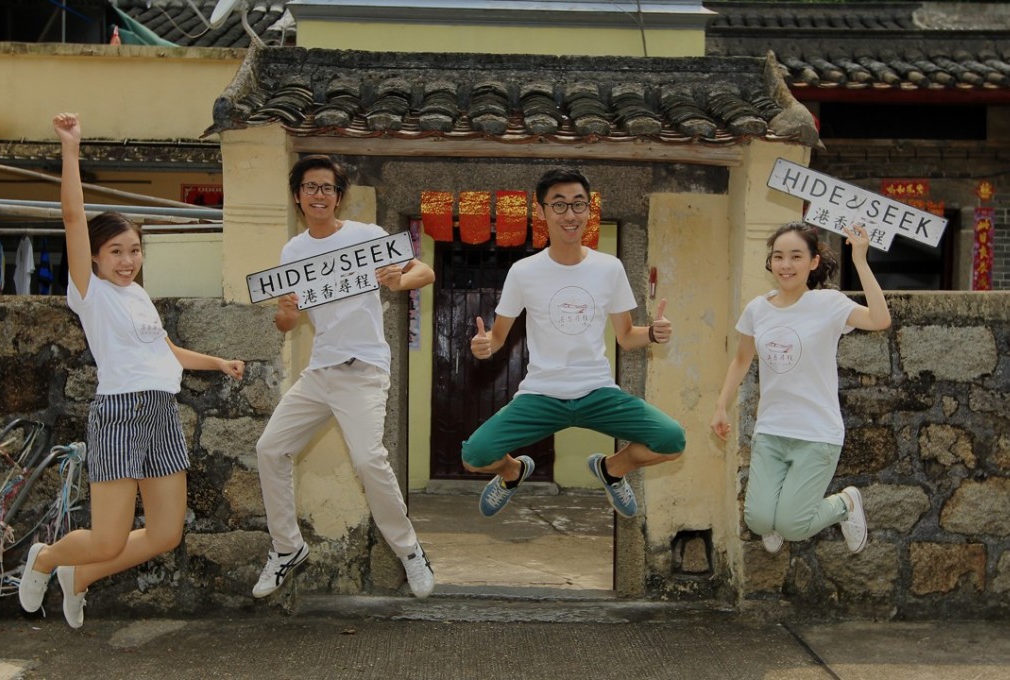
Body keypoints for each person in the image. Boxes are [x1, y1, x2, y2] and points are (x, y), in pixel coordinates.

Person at [19, 113, 245, 628]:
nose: (127, 260)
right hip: (120, 414)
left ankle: (78, 576)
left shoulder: (139, 296)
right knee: (108, 538)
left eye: (135, 250)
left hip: (161, 412)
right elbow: (72, 218)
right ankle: (47, 558)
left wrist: (217, 363)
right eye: (116, 252)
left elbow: (166, 351)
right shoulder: (89, 294)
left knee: (166, 533)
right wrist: (70, 151)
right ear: (96, 258)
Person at [252, 155, 436, 600]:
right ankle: (287, 547)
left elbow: (425, 271)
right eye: (310, 187)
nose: (319, 195)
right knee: (270, 448)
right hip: (319, 371)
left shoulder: (366, 237)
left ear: (338, 196)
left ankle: (410, 551)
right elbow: (286, 323)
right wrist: (286, 310)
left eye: (327, 188)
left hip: (364, 367)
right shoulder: (293, 252)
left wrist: (398, 281)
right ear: (297, 196)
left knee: (368, 460)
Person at [463, 167, 686, 519]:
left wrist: (653, 333)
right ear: (541, 211)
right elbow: (498, 336)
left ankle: (611, 470)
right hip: (542, 393)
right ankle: (513, 473)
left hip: (597, 391)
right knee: (476, 455)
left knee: (672, 440)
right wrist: (484, 345)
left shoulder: (609, 268)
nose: (570, 214)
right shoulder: (524, 272)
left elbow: (627, 337)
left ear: (589, 210)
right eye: (559, 204)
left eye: (578, 204)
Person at [710, 221, 891, 555]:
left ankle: (846, 504)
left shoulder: (828, 303)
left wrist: (860, 260)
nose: (786, 265)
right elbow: (741, 359)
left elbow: (880, 320)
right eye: (778, 256)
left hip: (817, 432)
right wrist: (721, 405)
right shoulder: (757, 309)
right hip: (771, 430)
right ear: (770, 262)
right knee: (757, 520)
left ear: (813, 262)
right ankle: (775, 520)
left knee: (793, 526)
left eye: (796, 256)